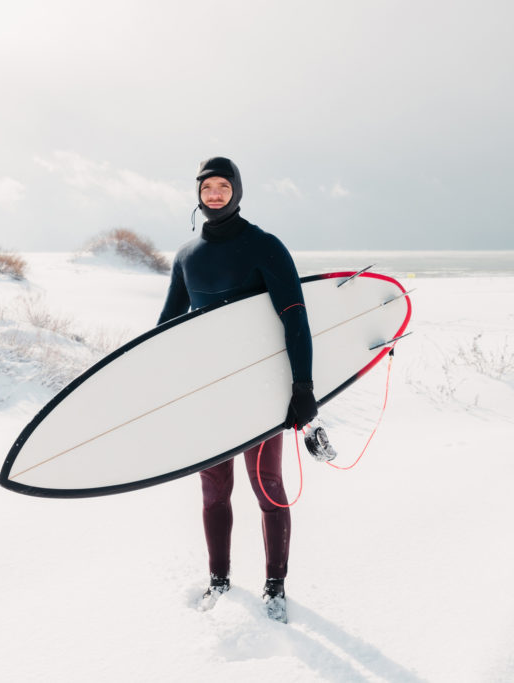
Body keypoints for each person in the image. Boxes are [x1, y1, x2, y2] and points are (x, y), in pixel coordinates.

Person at [157, 156, 318, 622]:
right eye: (207, 187)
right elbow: (167, 326)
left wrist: (302, 387)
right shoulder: (187, 256)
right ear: (198, 193)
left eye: (223, 186)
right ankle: (219, 581)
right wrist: (157, 391)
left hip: (262, 391)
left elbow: (295, 316)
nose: (214, 194)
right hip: (209, 393)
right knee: (213, 491)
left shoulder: (264, 246)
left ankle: (275, 588)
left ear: (237, 191)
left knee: (268, 487)